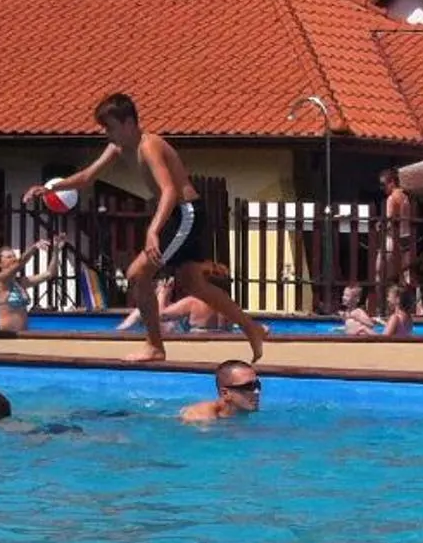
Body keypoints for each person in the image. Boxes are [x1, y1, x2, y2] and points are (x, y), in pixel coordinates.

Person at [36, 93, 267, 365]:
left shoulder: (149, 146)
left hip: (184, 213)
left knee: (137, 274)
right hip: (177, 215)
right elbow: (87, 177)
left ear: (129, 123)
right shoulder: (118, 148)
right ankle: (251, 327)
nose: (107, 133)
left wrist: (152, 231)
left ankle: (155, 345)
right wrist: (51, 188)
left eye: (110, 127)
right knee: (193, 282)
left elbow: (169, 190)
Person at [179, 359, 264, 423]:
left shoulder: (241, 414)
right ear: (225, 393)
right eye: (248, 387)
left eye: (257, 385)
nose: (256, 392)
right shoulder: (200, 418)